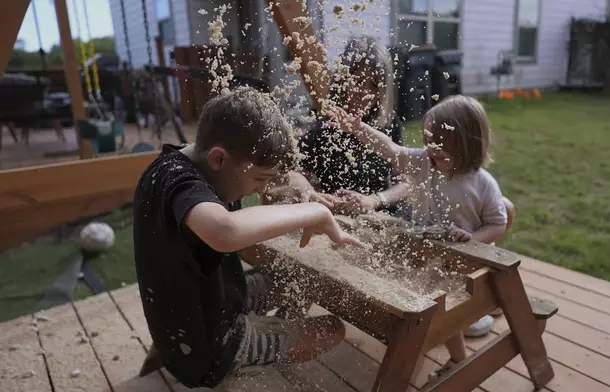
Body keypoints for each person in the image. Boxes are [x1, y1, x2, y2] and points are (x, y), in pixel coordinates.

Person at [132, 87, 365, 389]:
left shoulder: (194, 158)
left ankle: (260, 348)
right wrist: (315, 212)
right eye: (259, 180)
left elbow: (270, 171)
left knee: (300, 280)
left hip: (203, 301)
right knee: (331, 330)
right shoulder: (181, 184)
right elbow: (225, 232)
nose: (262, 191)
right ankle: (247, 369)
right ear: (218, 158)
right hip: (209, 345)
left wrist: (297, 182)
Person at [325, 94, 510, 375]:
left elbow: (498, 224)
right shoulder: (426, 162)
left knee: (442, 309)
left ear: (468, 149)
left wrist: (471, 239)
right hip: (431, 251)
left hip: (467, 262)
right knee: (415, 293)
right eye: (427, 145)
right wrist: (359, 129)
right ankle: (439, 343)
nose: (430, 156)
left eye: (440, 153)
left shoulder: (483, 184)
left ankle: (458, 358)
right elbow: (391, 150)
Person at [265, 36, 410, 217]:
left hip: (382, 218)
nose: (364, 92)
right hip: (340, 221)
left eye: (374, 85)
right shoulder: (326, 127)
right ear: (343, 79)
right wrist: (311, 192)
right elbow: (288, 171)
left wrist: (373, 200)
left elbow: (407, 183)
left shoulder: (388, 124)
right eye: (357, 81)